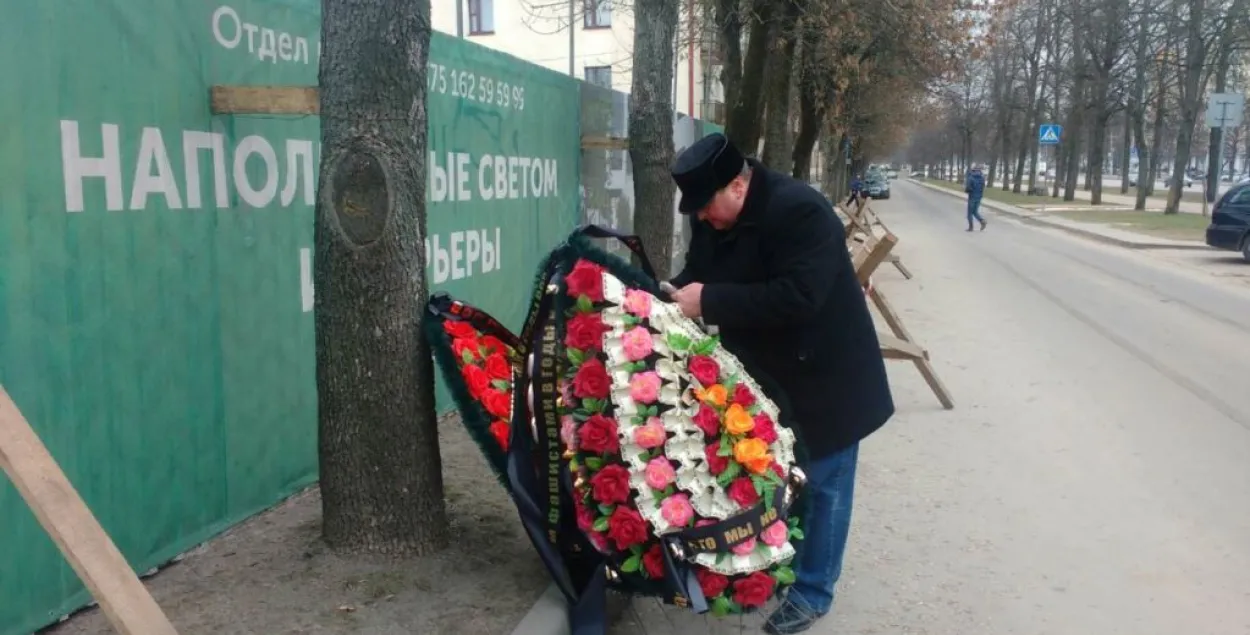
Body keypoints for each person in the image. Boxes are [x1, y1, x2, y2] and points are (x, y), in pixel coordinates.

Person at [666, 133, 895, 635]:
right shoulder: (715, 216)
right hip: (770, 377)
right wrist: (666, 295)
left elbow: (799, 296)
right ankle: (778, 566)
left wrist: (710, 302)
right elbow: (699, 273)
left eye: (706, 206)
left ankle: (813, 593)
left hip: (828, 376)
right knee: (780, 478)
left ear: (737, 184)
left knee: (826, 485)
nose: (702, 218)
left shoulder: (800, 211)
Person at [965, 165, 988, 231]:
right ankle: (982, 221)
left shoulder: (971, 177)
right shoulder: (982, 178)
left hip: (972, 197)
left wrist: (967, 190)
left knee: (969, 213)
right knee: (975, 211)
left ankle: (971, 227)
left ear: (973, 170)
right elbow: (983, 187)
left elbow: (968, 188)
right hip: (979, 197)